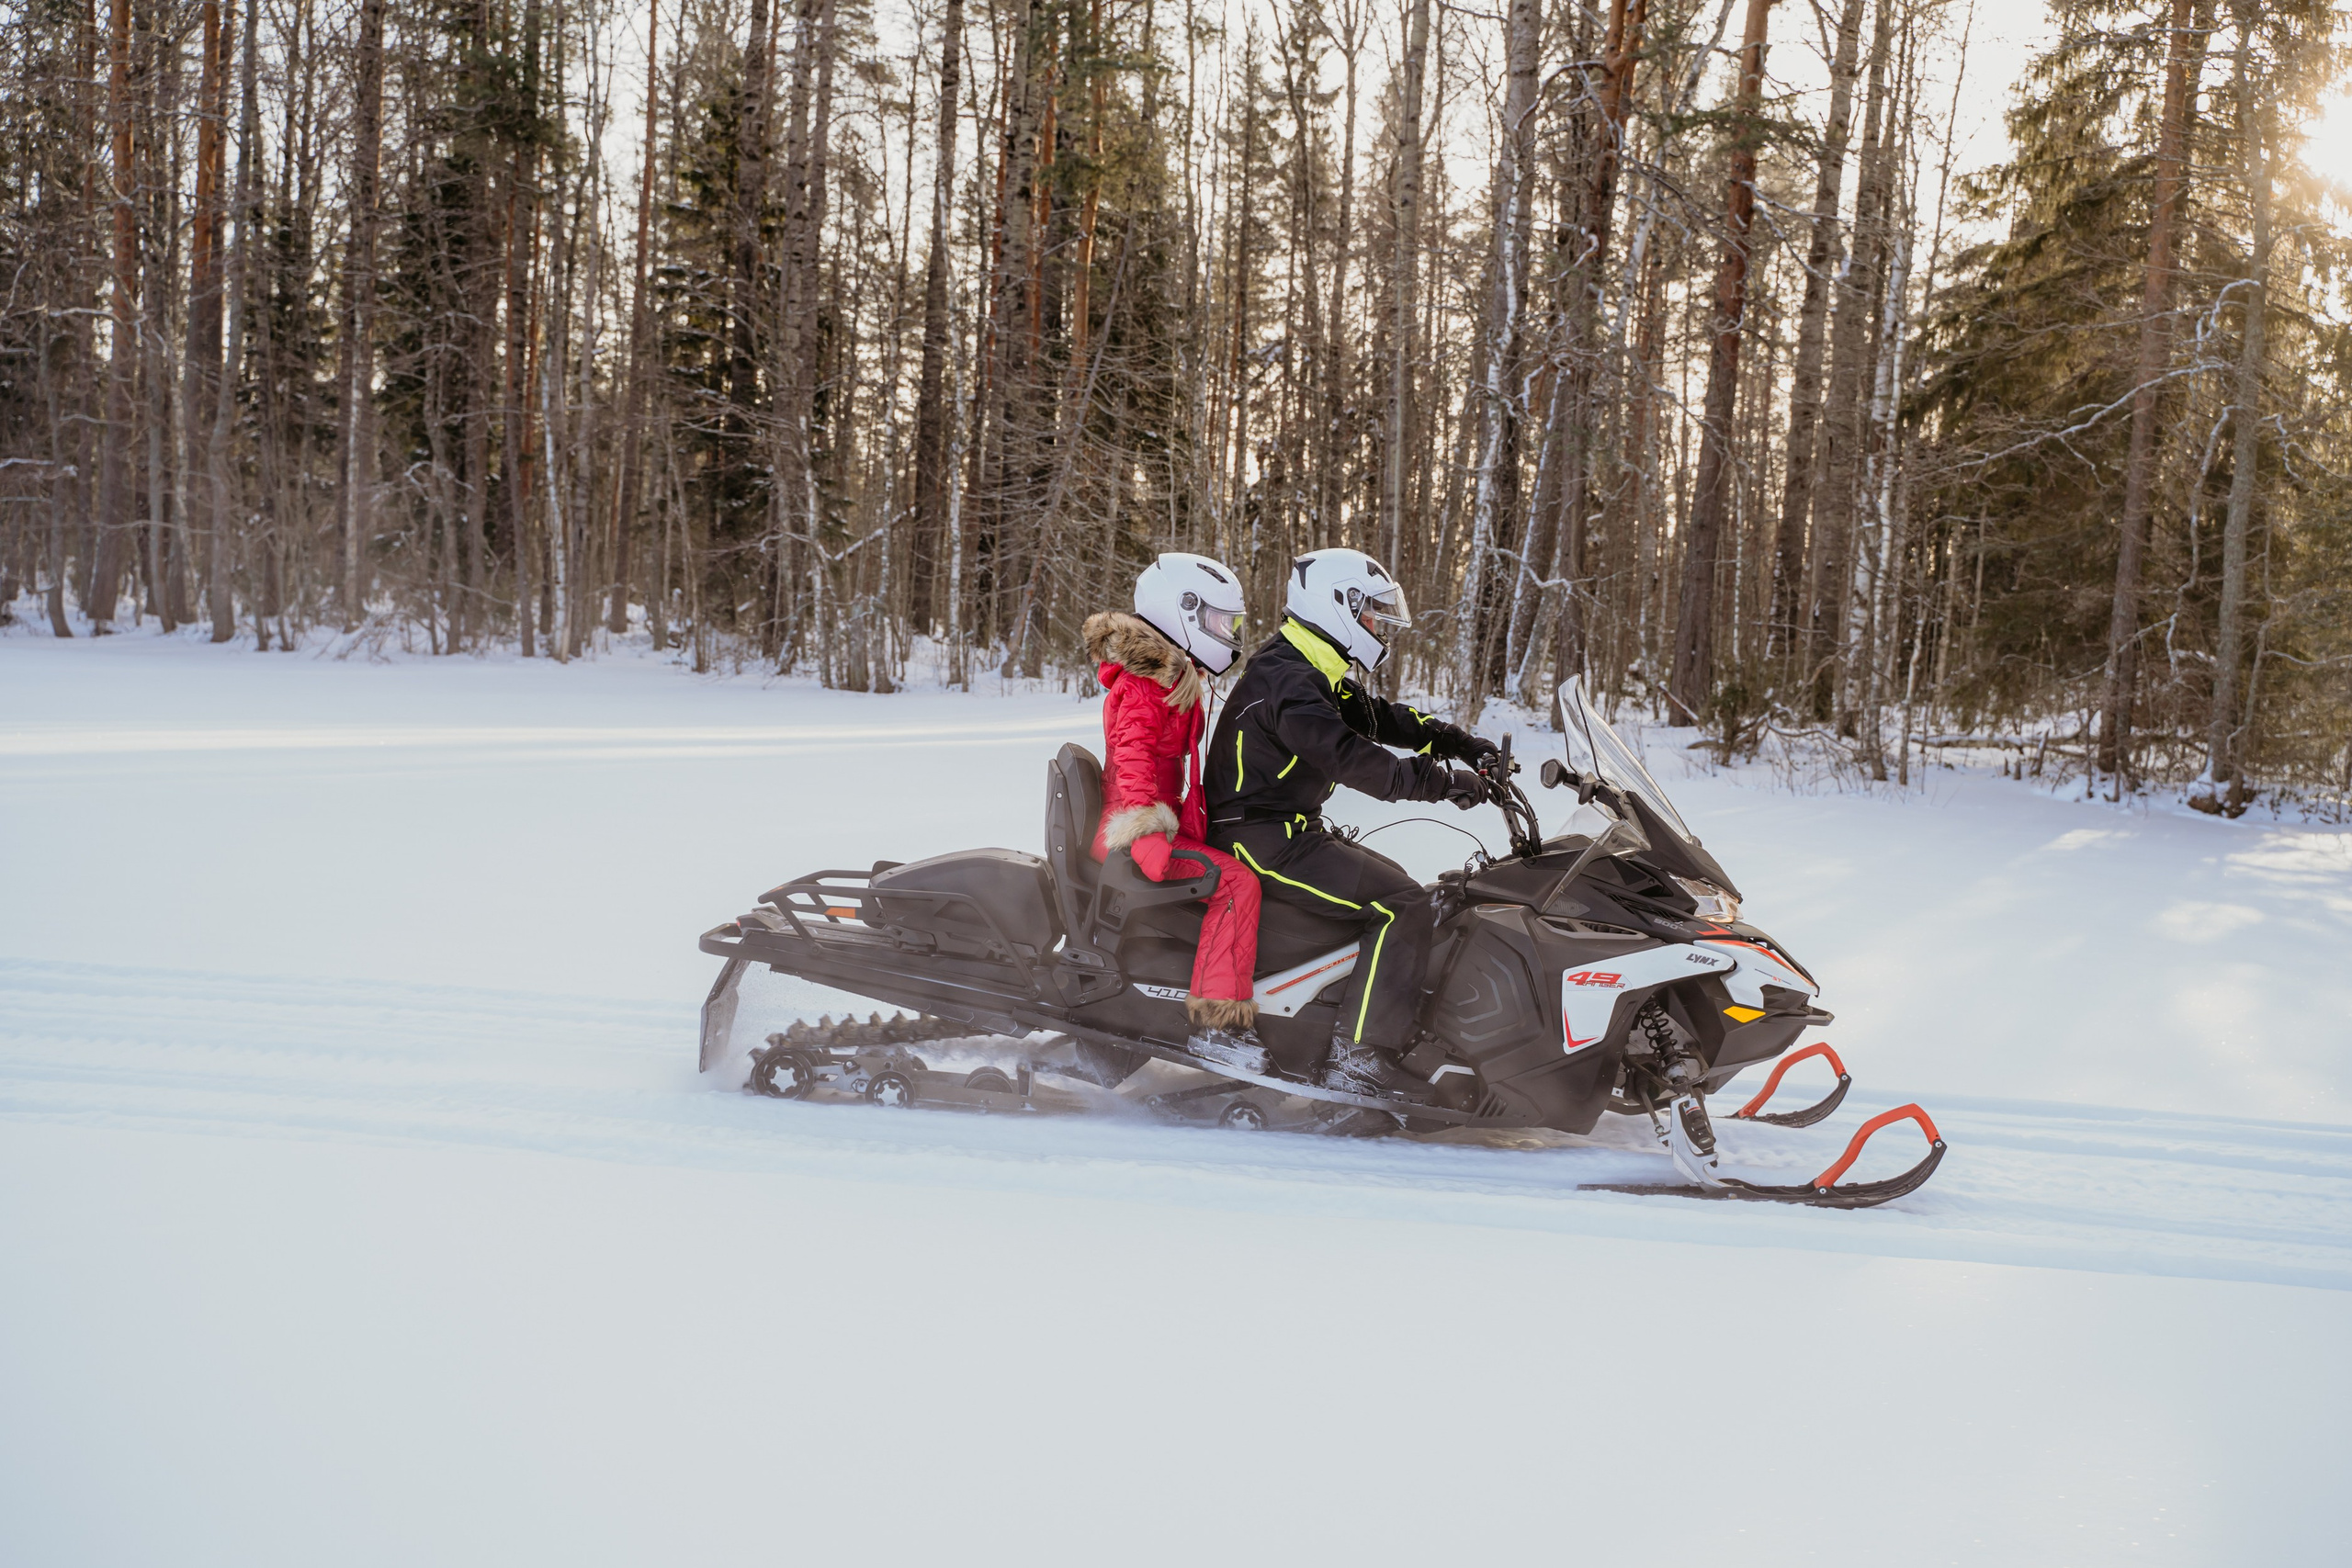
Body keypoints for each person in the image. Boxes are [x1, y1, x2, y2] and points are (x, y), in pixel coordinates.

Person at [1204, 548, 1498, 1101]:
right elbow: (1352, 757)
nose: (1376, 627)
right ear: (1338, 606)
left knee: (1417, 893)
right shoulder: (1288, 681)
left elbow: (1379, 717)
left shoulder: (1313, 667)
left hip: (1287, 829)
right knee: (1401, 904)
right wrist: (1445, 784)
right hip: (1258, 839)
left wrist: (1458, 741)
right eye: (1371, 614)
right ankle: (1359, 1056)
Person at [1083, 553, 1268, 1075]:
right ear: (1181, 612)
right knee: (1238, 885)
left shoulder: (1171, 675)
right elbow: (1133, 757)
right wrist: (1145, 830)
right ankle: (1217, 1027)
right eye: (1216, 622)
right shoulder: (1145, 684)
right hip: (1132, 826)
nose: (1225, 634)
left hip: (1153, 819)